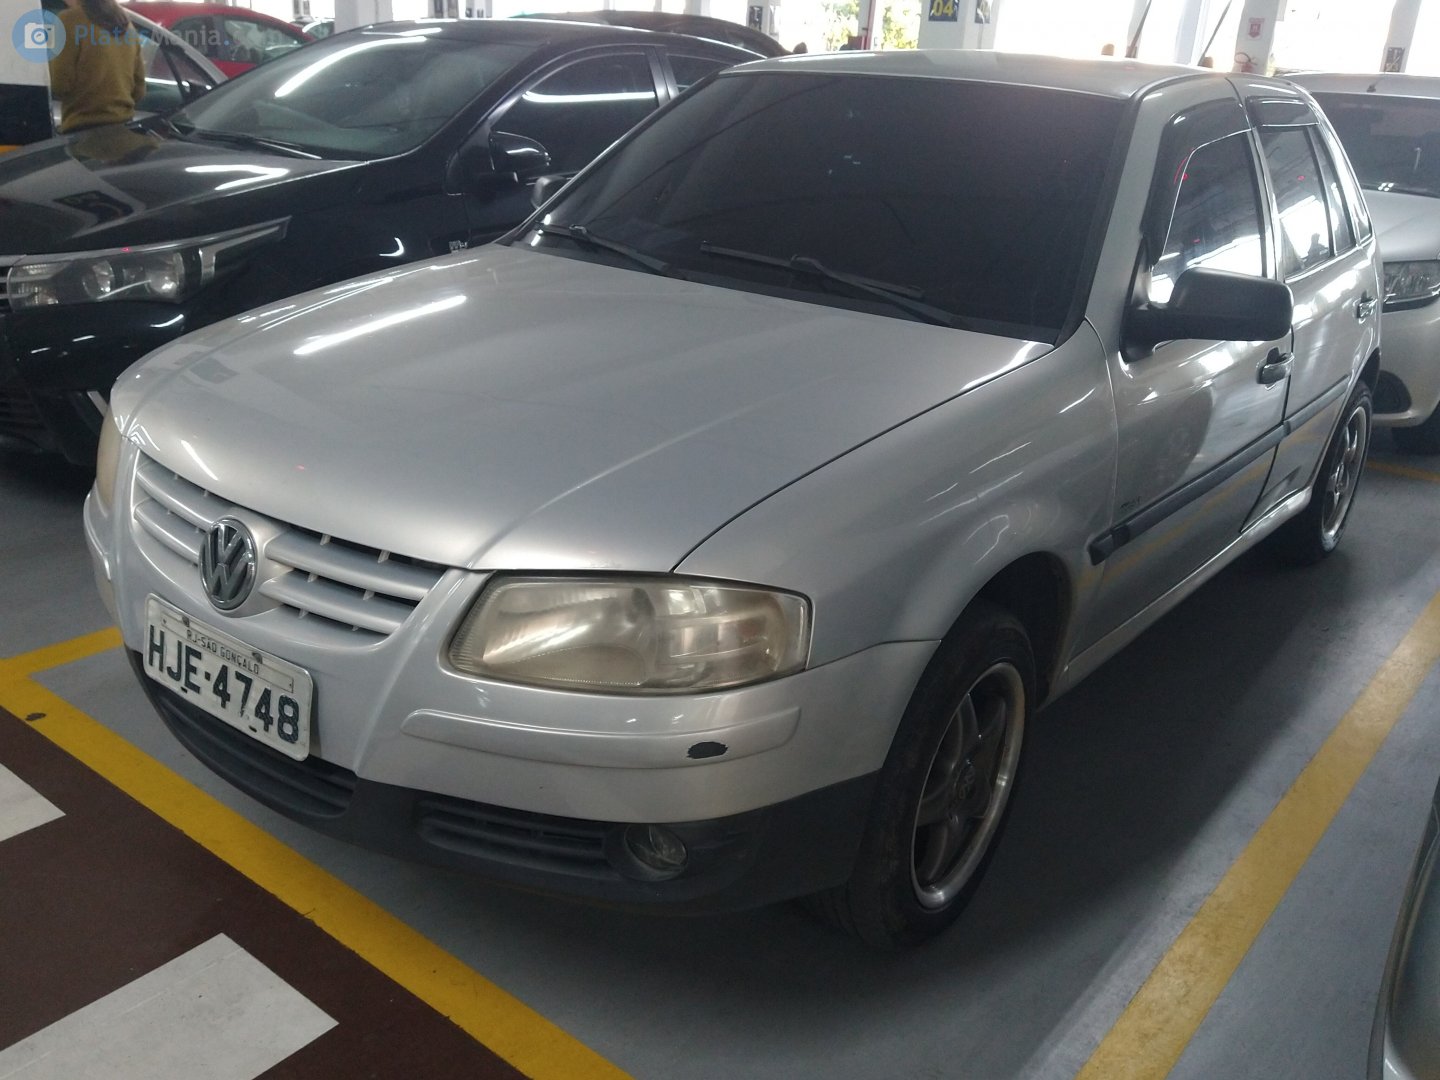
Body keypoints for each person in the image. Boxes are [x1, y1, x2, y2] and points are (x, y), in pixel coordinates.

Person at [48, 0, 147, 134]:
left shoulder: (68, 20)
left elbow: (60, 84)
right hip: (123, 130)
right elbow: (139, 90)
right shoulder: (125, 23)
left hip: (83, 130)